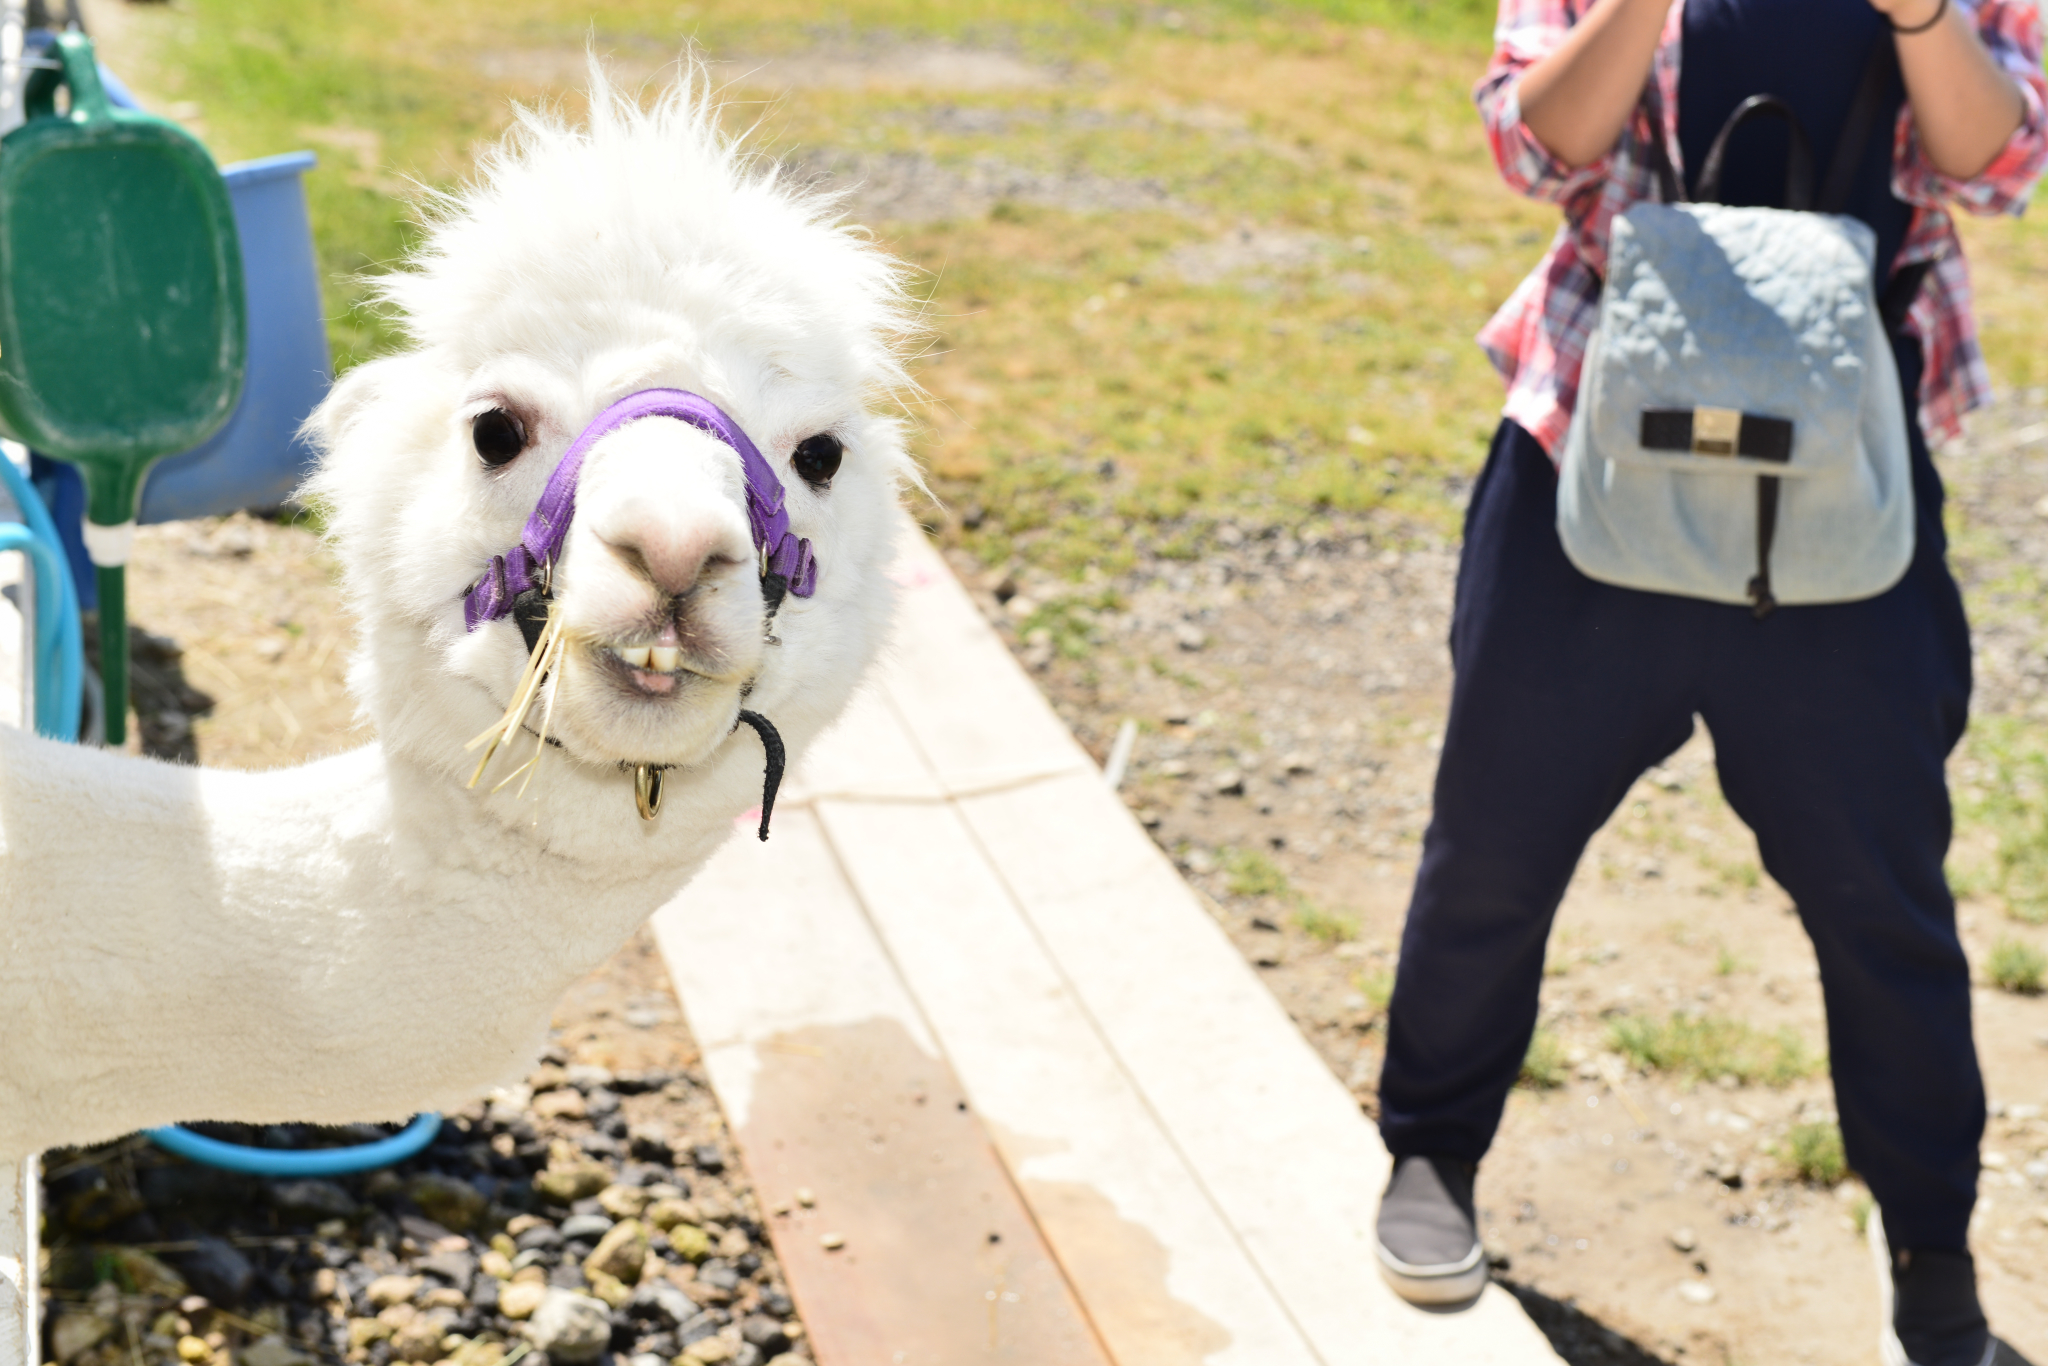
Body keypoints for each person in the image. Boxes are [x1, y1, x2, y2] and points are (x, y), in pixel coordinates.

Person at [1369, 1, 2048, 1362]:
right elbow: (1531, 138)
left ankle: (1928, 1237)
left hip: (1843, 482)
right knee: (1494, 841)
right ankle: (1431, 1150)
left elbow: (2002, 161)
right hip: (1596, 445)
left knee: (1885, 894)